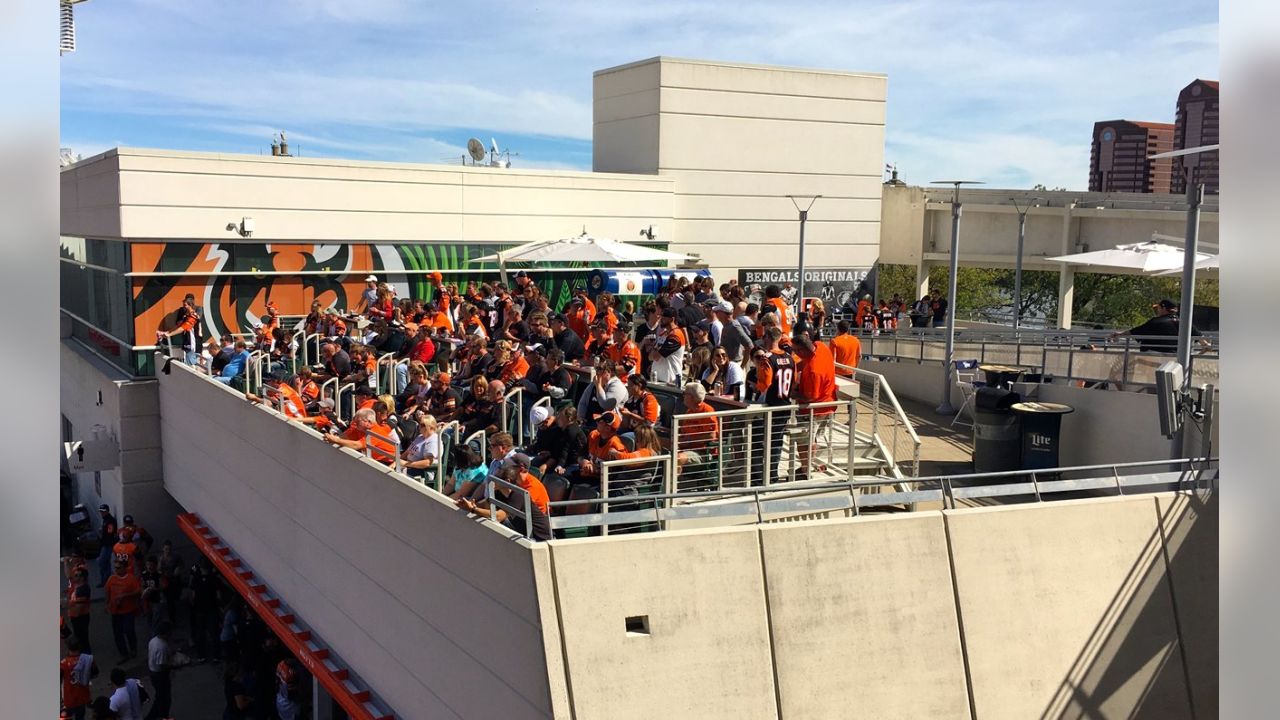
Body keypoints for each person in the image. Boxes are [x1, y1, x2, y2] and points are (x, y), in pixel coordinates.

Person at [456, 464, 553, 541]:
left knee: (501, 521)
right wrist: (470, 504)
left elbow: (498, 516)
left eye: (497, 477)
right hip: (523, 531)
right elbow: (486, 504)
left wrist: (473, 509)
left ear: (507, 481)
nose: (492, 479)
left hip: (541, 538)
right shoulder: (499, 492)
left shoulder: (518, 495)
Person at [752, 326, 796, 484]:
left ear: (768, 339)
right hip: (785, 406)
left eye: (764, 337)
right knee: (776, 442)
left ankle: (758, 477)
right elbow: (794, 382)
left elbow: (765, 384)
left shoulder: (767, 358)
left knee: (758, 440)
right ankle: (772, 475)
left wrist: (756, 385)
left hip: (770, 406)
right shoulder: (790, 358)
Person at [1109, 298, 1209, 353]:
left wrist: (1119, 334)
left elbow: (1134, 331)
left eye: (1158, 308)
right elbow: (1206, 345)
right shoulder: (1185, 323)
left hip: (1152, 359)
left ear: (1163, 308)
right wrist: (1193, 358)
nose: (1157, 310)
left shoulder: (1155, 321)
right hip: (1176, 363)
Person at [105, 559, 142, 660]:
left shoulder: (131, 579)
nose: (116, 570)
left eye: (118, 568)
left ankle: (133, 648)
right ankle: (124, 653)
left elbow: (138, 591)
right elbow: (107, 591)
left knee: (129, 630)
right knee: (118, 633)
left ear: (124, 568)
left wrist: (125, 595)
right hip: (115, 611)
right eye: (115, 567)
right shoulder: (111, 579)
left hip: (128, 610)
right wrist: (107, 604)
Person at [156, 294, 203, 365]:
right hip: (187, 341)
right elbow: (178, 325)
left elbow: (183, 328)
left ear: (190, 305)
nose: (184, 307)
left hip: (193, 342)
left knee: (192, 365)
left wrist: (169, 334)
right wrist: (165, 332)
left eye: (185, 305)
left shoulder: (193, 316)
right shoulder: (186, 316)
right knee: (188, 362)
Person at [144, 621, 174, 720]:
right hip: (160, 675)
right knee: (164, 698)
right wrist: (172, 666)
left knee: (160, 697)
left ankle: (153, 716)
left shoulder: (153, 640)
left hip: (153, 672)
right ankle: (161, 716)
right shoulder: (161, 647)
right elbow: (162, 665)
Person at [61, 637, 98, 720]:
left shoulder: (63, 664)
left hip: (69, 698)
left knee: (66, 716)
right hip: (82, 696)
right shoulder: (88, 659)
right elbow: (95, 674)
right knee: (80, 717)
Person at [66, 566, 93, 653]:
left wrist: (67, 605)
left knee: (82, 638)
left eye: (77, 575)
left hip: (80, 618)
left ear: (82, 578)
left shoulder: (83, 590)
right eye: (75, 575)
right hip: (76, 617)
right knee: (79, 637)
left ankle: (86, 656)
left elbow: (78, 610)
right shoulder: (77, 586)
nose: (75, 576)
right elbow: (68, 576)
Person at [96, 504, 118, 588]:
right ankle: (106, 581)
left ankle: (105, 581)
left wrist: (102, 533)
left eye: (103, 511)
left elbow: (110, 533)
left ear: (107, 511)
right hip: (105, 544)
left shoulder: (110, 521)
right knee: (106, 563)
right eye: (101, 511)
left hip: (108, 545)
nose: (101, 513)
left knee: (101, 562)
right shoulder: (106, 520)